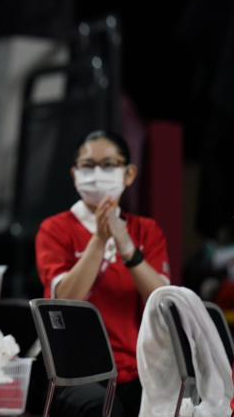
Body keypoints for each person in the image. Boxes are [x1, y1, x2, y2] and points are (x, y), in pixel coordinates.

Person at [35, 130, 169, 417]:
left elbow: (162, 301)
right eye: (88, 166)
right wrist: (99, 241)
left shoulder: (146, 231)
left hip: (136, 369)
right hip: (73, 371)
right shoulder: (55, 229)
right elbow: (65, 297)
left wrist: (128, 250)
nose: (97, 174)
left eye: (109, 165)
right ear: (74, 174)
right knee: (104, 409)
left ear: (129, 174)